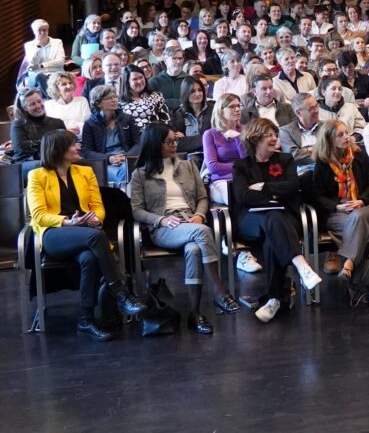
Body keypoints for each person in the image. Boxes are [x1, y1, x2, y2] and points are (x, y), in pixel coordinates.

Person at [26, 131, 147, 340]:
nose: (78, 147)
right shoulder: (37, 176)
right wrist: (68, 222)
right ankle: (121, 293)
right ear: (58, 149)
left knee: (89, 258)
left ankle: (86, 320)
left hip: (84, 231)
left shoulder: (85, 172)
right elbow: (39, 215)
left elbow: (98, 207)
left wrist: (94, 219)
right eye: (73, 144)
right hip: (53, 234)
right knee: (96, 237)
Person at [129, 123, 240, 333]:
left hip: (191, 221)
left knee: (194, 249)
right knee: (203, 231)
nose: (175, 145)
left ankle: (195, 315)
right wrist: (160, 220)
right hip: (163, 228)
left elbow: (203, 197)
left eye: (176, 140)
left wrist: (199, 215)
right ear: (155, 144)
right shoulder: (140, 175)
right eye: (169, 141)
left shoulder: (189, 166)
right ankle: (219, 291)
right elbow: (137, 210)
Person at [231, 117, 323, 322]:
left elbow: (293, 186)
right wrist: (275, 194)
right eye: (269, 135)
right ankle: (301, 266)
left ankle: (274, 299)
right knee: (272, 218)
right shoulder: (241, 165)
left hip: (284, 216)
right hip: (251, 219)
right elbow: (242, 196)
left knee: (272, 236)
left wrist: (264, 187)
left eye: (275, 134)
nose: (275, 139)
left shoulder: (285, 159)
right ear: (255, 139)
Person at [310, 119, 369, 286]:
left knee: (359, 218)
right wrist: (337, 206)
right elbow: (318, 196)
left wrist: (362, 200)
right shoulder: (323, 163)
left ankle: (347, 263)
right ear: (329, 140)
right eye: (340, 135)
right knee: (359, 228)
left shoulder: (359, 156)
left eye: (347, 132)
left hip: (364, 208)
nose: (347, 137)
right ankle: (355, 282)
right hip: (338, 212)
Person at [80, 84, 139, 183]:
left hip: (126, 159)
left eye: (115, 97)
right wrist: (109, 158)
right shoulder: (90, 124)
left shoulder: (127, 119)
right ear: (98, 104)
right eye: (108, 98)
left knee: (128, 170)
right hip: (105, 162)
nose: (114, 100)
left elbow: (138, 143)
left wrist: (127, 156)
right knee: (123, 173)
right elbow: (86, 151)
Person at [12, 88, 64, 163]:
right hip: (29, 163)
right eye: (33, 104)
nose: (38, 106)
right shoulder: (18, 125)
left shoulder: (58, 123)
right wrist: (53, 142)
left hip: (56, 160)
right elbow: (21, 147)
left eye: (39, 101)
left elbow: (66, 144)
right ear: (25, 108)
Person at [277, 92, 324, 170]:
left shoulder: (326, 126)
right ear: (298, 113)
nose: (316, 110)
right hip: (302, 173)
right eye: (311, 108)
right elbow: (294, 156)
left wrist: (306, 149)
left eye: (316, 106)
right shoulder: (285, 131)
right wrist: (323, 155)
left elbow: (333, 150)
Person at [119, 64, 172, 131]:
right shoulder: (121, 103)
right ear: (127, 82)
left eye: (141, 77)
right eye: (135, 79)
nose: (139, 81)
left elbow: (166, 119)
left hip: (155, 134)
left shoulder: (156, 96)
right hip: (131, 136)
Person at [22, 19, 67, 88]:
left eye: (44, 30)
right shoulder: (29, 45)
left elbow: (61, 62)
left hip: (55, 74)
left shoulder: (57, 42)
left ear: (48, 30)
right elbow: (33, 63)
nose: (42, 32)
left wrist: (41, 66)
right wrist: (38, 47)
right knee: (40, 78)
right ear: (34, 31)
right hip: (38, 76)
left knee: (55, 81)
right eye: (39, 30)